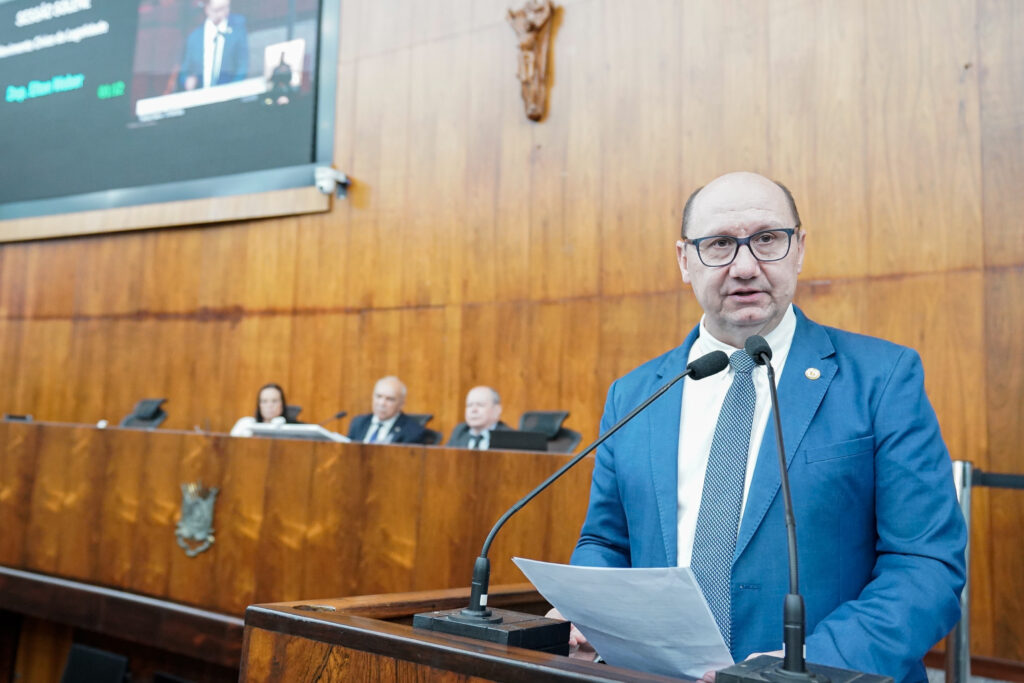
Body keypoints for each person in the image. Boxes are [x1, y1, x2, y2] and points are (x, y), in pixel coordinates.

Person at [558, 172, 966, 683]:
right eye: (720, 244)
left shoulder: (882, 378)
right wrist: (590, 606)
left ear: (799, 249)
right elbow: (606, 541)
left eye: (768, 240)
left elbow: (924, 565)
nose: (745, 267)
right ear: (685, 260)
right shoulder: (634, 393)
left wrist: (805, 669)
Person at [179, 0, 249, 91]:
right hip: (201, 97)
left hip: (229, 96)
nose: (222, 14)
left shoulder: (237, 31)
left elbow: (242, 68)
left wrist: (232, 91)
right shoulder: (194, 38)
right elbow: (185, 71)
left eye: (226, 7)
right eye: (217, 10)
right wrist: (187, 81)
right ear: (207, 9)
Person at [347, 376, 428, 445]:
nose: (382, 403)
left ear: (401, 404)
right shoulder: (359, 423)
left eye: (390, 399)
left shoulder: (412, 431)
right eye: (378, 396)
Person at [446, 386, 511, 449]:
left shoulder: (508, 438)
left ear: (497, 410)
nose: (473, 410)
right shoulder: (460, 432)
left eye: (480, 405)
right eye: (469, 405)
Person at [230, 383, 294, 436]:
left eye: (274, 401)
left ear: (282, 404)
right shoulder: (246, 425)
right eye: (264, 401)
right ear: (259, 405)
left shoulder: (293, 429)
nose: (269, 405)